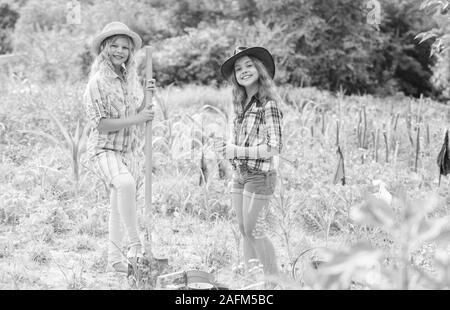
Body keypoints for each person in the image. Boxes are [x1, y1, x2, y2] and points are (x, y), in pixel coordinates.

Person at [84, 22, 155, 273]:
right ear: (104, 48)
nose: (120, 50)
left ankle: (115, 262)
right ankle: (136, 246)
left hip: (126, 153)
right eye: (114, 45)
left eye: (125, 47)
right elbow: (101, 124)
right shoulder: (97, 83)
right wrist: (138, 118)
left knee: (118, 204)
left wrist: (147, 97)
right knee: (125, 184)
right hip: (103, 150)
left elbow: (136, 115)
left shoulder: (127, 80)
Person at [215, 46, 284, 281]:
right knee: (245, 229)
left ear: (259, 69)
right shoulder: (239, 105)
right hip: (240, 175)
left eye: (248, 65)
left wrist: (237, 150)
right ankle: (251, 277)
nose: (243, 71)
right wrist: (227, 149)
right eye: (238, 68)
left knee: (255, 229)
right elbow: (238, 143)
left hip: (260, 176)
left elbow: (274, 147)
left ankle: (273, 281)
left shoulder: (268, 105)